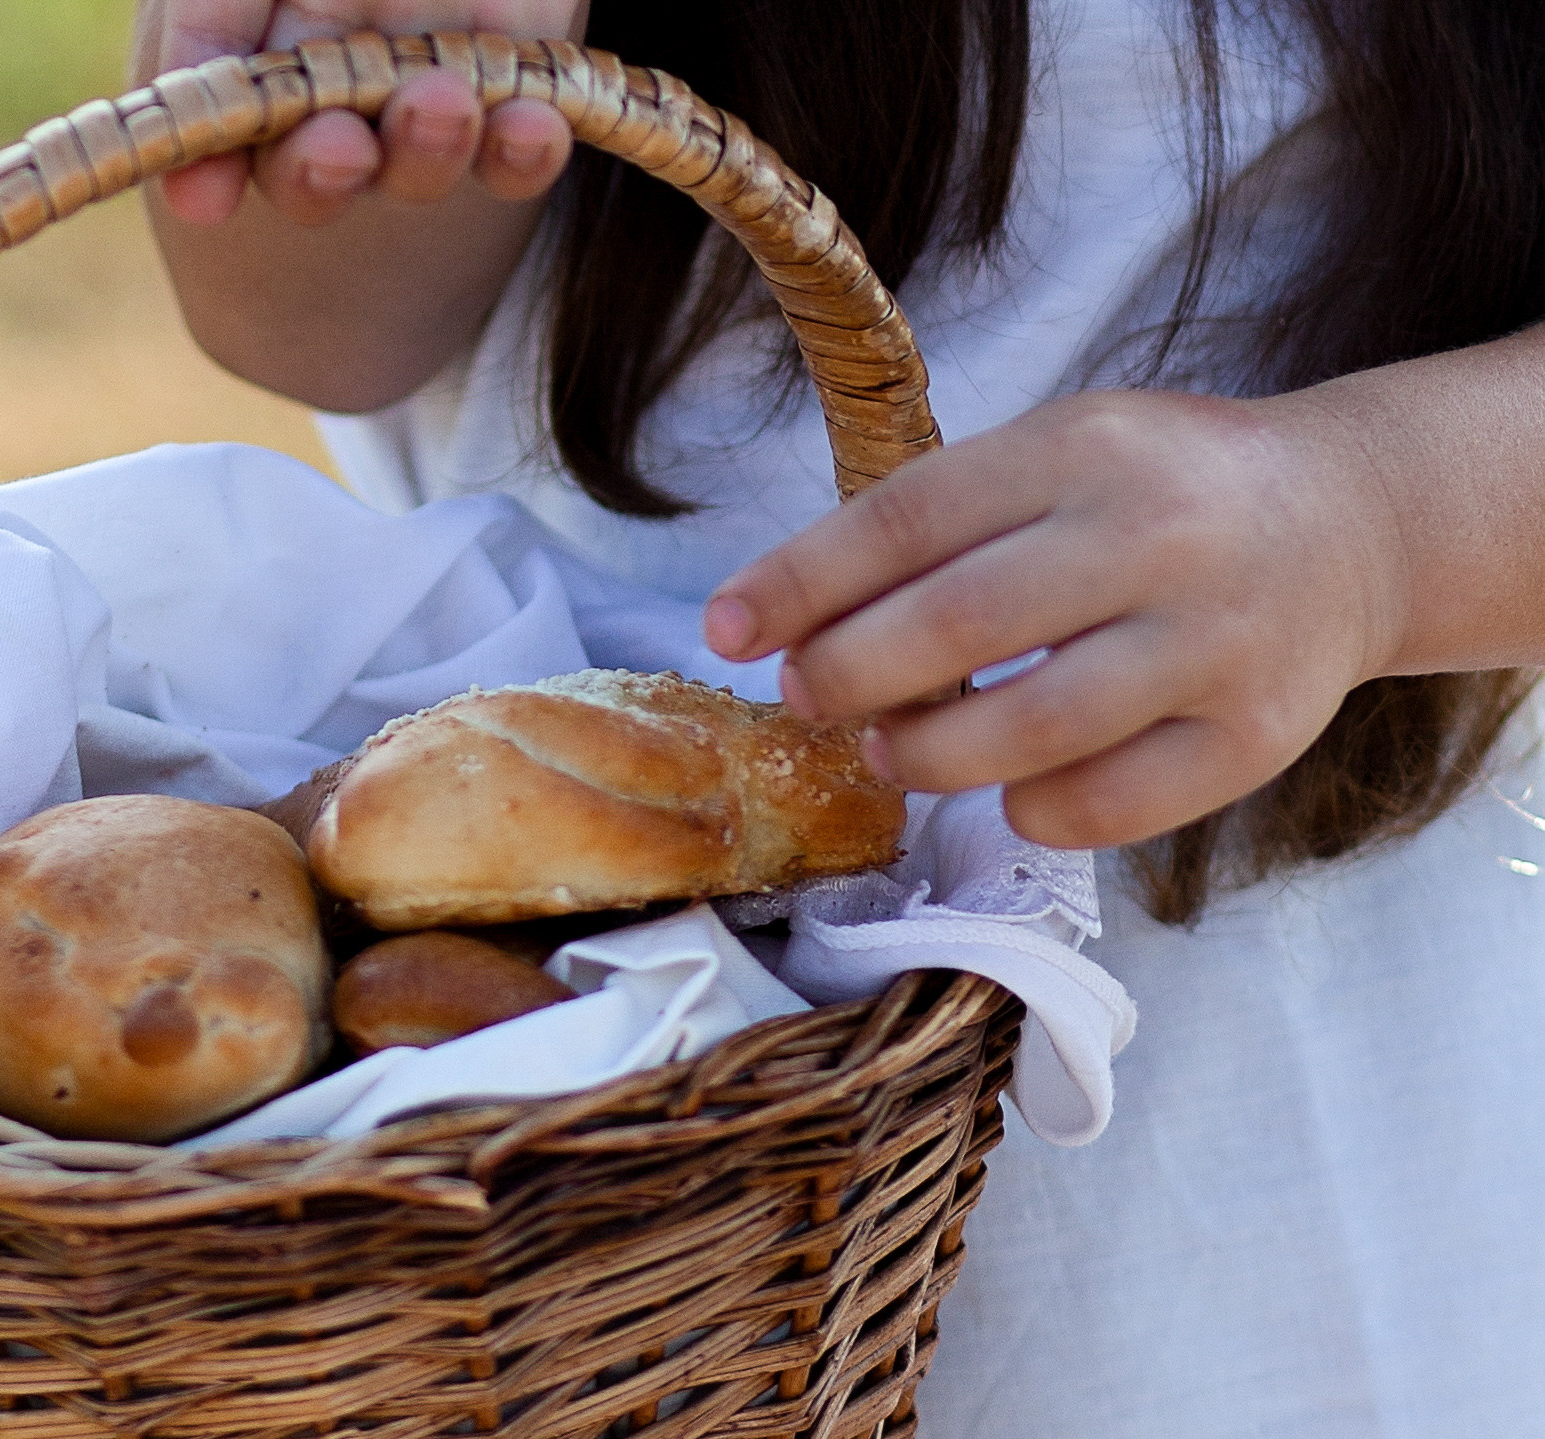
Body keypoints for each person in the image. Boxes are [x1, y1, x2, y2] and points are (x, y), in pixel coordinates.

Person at [128, 1, 1545, 1433]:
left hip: (1330, 1069)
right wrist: (375, 88)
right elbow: (299, 316)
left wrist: (1380, 525)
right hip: (567, 1185)